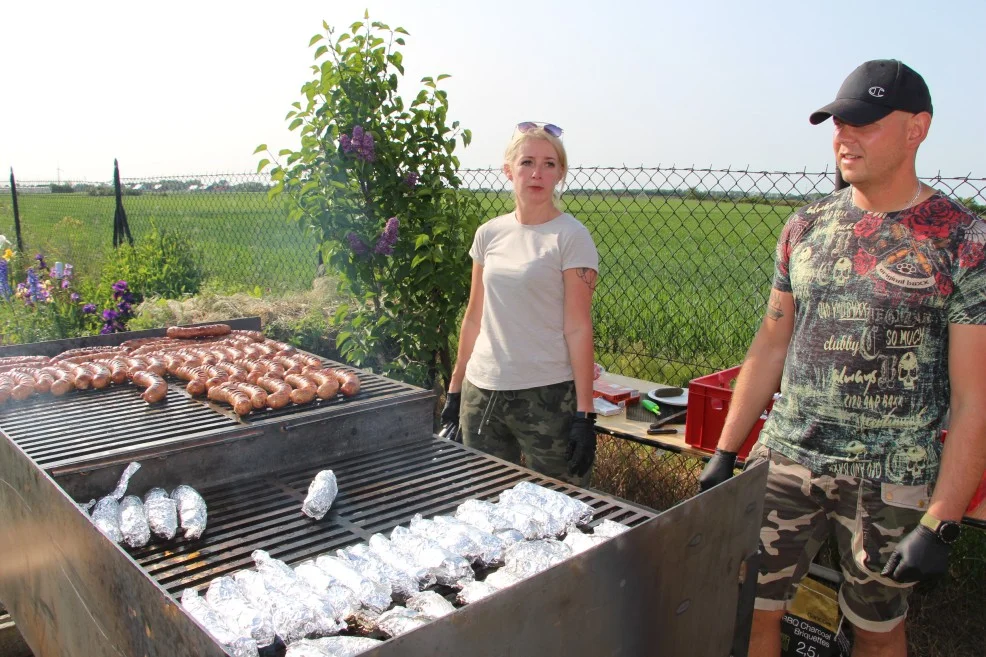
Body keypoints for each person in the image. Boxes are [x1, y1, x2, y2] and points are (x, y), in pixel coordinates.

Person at [698, 59, 986, 657]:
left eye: (865, 122)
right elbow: (771, 343)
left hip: (890, 479)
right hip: (787, 459)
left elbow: (974, 395)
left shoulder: (965, 241)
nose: (843, 137)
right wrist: (726, 453)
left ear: (917, 129)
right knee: (750, 609)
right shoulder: (805, 227)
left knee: (877, 632)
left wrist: (942, 521)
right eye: (837, 123)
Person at [439, 122, 600, 486]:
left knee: (563, 503)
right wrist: (455, 388)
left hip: (547, 396)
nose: (537, 173)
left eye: (549, 164)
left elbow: (578, 326)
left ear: (560, 173)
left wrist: (584, 414)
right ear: (508, 170)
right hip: (482, 392)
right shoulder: (489, 234)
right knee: (485, 501)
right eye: (527, 162)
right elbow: (474, 316)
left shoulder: (572, 237)